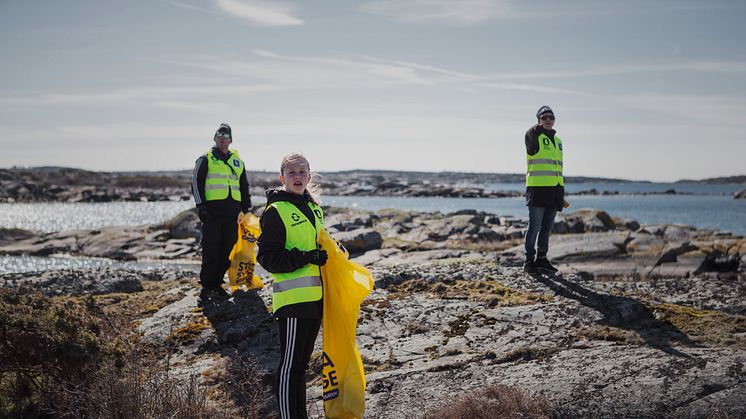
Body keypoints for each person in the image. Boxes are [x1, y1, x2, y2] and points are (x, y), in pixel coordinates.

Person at [257, 153, 327, 419]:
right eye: (291, 173)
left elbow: (320, 246)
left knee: (301, 367)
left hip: (317, 299)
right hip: (293, 301)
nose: (297, 177)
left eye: (302, 172)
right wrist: (306, 257)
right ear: (282, 177)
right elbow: (268, 258)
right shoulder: (276, 211)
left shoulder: (314, 209)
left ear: (309, 176)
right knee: (289, 367)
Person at [191, 123, 251, 300]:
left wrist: (246, 209)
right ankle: (208, 285)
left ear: (231, 140)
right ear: (215, 139)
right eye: (219, 136)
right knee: (211, 249)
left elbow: (244, 186)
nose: (223, 139)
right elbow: (196, 183)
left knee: (227, 248)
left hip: (233, 214)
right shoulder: (206, 159)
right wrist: (201, 206)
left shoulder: (237, 161)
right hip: (212, 214)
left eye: (226, 136)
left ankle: (217, 283)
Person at [523, 106, 564, 274]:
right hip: (538, 190)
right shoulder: (534, 137)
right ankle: (529, 261)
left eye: (551, 117)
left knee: (547, 228)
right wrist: (538, 127)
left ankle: (542, 258)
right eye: (544, 117)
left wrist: (560, 192)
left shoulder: (558, 141)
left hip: (555, 190)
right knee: (534, 227)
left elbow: (557, 168)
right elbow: (529, 133)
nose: (548, 120)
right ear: (539, 120)